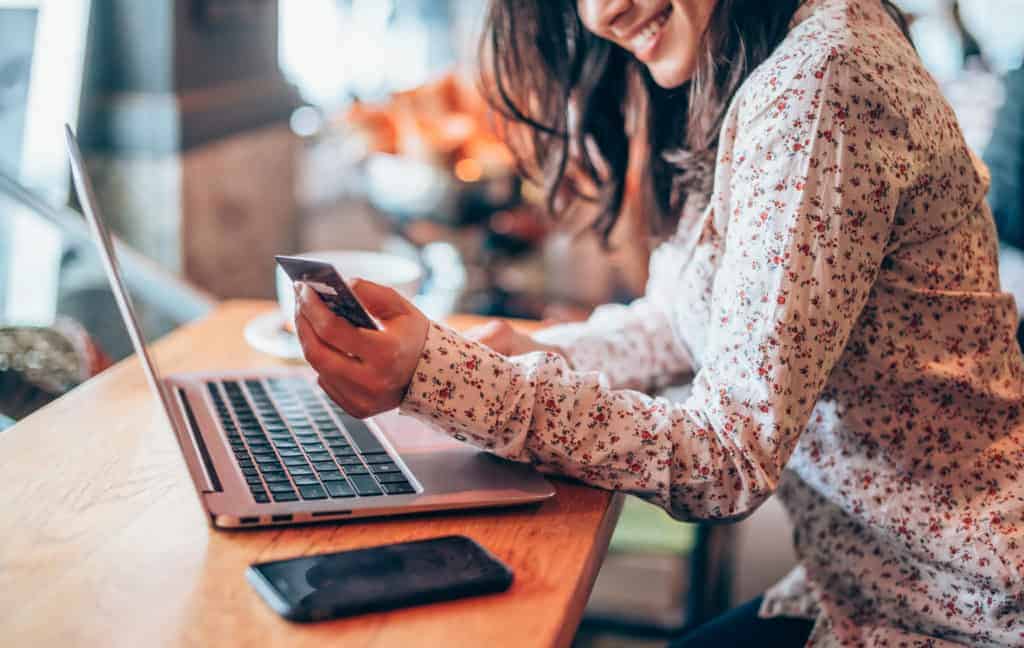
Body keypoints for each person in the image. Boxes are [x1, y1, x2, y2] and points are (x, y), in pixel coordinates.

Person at [295, 0, 1024, 645]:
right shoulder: (762, 58)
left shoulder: (822, 78)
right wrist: (525, 351)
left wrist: (445, 382)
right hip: (864, 588)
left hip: (960, 610)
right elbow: (687, 323)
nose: (599, 13)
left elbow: (728, 459)